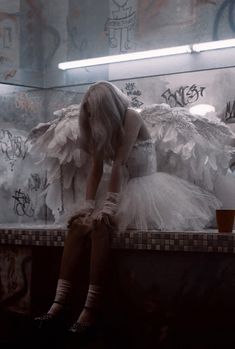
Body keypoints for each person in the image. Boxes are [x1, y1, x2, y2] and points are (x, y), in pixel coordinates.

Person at [34, 81, 221, 340]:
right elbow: (97, 169)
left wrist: (108, 208)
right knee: (78, 225)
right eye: (87, 113)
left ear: (107, 107)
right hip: (120, 188)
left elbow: (120, 163)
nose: (89, 117)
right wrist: (88, 207)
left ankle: (91, 307)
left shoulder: (132, 117)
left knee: (102, 227)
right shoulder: (102, 125)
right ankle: (59, 302)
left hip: (146, 190)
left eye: (93, 112)